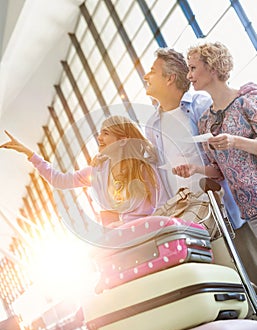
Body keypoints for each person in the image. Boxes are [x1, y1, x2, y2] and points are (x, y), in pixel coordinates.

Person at [172, 42, 257, 285]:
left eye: (193, 68)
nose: (188, 76)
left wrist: (235, 141)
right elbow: (218, 171)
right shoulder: (207, 121)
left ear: (213, 68)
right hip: (250, 209)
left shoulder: (246, 101)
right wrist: (196, 169)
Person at [143, 47, 252, 230]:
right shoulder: (152, 126)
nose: (146, 77)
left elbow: (229, 156)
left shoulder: (201, 105)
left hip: (224, 209)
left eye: (152, 71)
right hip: (189, 218)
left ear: (170, 78)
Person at [0, 115, 159, 228]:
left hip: (146, 231)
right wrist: (29, 154)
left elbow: (159, 205)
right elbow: (60, 181)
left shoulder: (143, 168)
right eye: (100, 133)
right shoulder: (97, 172)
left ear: (123, 140)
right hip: (122, 236)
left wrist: (128, 224)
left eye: (106, 133)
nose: (99, 137)